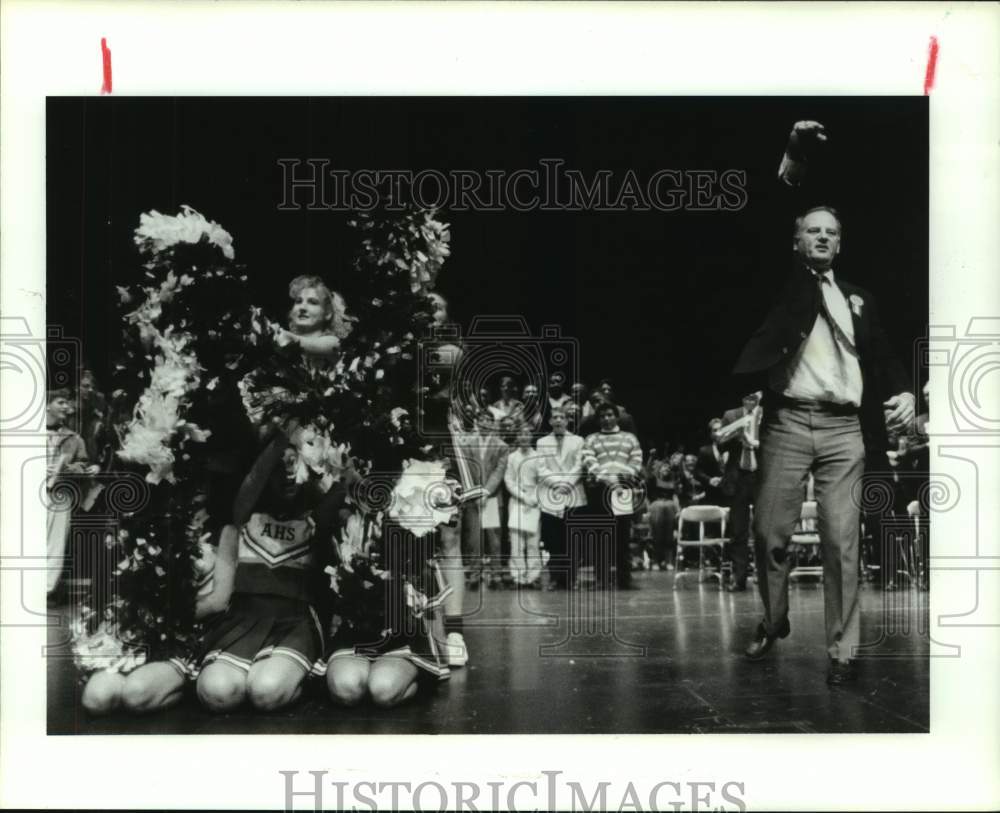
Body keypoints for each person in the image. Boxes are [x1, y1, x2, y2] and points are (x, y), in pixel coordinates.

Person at [733, 129, 914, 684]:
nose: (821, 237)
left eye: (830, 232)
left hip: (844, 431)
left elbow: (880, 354)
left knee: (842, 541)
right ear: (796, 241)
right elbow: (774, 207)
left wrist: (904, 389)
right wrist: (794, 152)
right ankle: (774, 619)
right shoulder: (784, 281)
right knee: (770, 535)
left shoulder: (858, 297)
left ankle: (842, 651)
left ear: (840, 244)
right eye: (812, 230)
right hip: (788, 422)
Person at [192, 427, 347, 712]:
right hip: (241, 620)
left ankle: (302, 677)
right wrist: (283, 431)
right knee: (216, 693)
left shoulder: (316, 519)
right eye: (279, 465)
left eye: (294, 463)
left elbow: (343, 481)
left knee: (267, 692)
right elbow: (252, 482)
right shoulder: (243, 517)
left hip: (295, 622)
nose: (288, 474)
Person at [80, 533, 237, 715]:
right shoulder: (133, 524)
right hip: (135, 634)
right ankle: (149, 682)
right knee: (96, 699)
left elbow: (219, 601)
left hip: (183, 637)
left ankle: (179, 685)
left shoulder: (223, 531)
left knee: (136, 694)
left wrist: (158, 617)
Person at [580, 402, 643, 589]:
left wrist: (621, 480)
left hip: (622, 490)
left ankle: (624, 579)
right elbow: (590, 462)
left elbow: (636, 461)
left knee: (622, 535)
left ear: (616, 417)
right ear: (598, 419)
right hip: (600, 490)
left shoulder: (630, 438)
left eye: (609, 415)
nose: (606, 418)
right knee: (601, 535)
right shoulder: (591, 439)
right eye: (602, 416)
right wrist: (609, 481)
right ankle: (601, 579)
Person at [46, 389, 98, 597]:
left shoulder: (73, 438)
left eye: (67, 403)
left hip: (59, 495)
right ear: (47, 405)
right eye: (61, 402)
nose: (67, 408)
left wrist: (67, 470)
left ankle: (45, 590)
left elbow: (83, 465)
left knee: (54, 544)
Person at [714, 393, 763, 591]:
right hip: (738, 477)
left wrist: (755, 443)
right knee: (738, 532)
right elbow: (720, 442)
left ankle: (765, 576)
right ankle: (739, 577)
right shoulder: (731, 415)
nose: (750, 398)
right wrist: (736, 437)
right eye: (747, 395)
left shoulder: (766, 415)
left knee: (764, 530)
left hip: (761, 477)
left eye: (754, 395)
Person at [536, 407, 587, 589]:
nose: (558, 420)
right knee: (553, 541)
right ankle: (556, 578)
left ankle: (572, 579)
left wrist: (567, 484)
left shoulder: (578, 441)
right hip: (551, 495)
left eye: (562, 417)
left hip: (573, 494)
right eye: (555, 417)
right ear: (550, 421)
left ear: (567, 421)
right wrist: (558, 484)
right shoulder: (542, 442)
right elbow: (542, 469)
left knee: (572, 540)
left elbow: (579, 466)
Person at [279, 275, 354, 362]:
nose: (303, 307)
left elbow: (333, 345)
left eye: (312, 302)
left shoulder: (334, 340)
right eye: (299, 301)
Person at [504, 424, 543, 587]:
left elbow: (542, 480)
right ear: (517, 437)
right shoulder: (512, 457)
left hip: (534, 502)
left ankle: (533, 577)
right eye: (521, 434)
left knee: (533, 542)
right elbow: (509, 480)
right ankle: (518, 577)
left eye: (528, 434)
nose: (525, 437)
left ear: (532, 436)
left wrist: (532, 498)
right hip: (517, 501)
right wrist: (522, 496)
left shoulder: (539, 457)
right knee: (516, 542)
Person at [694, 418, 728, 507]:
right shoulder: (704, 451)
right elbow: (697, 472)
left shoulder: (734, 449)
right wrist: (709, 480)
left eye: (720, 429)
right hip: (712, 496)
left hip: (731, 495)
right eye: (715, 430)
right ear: (711, 434)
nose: (718, 432)